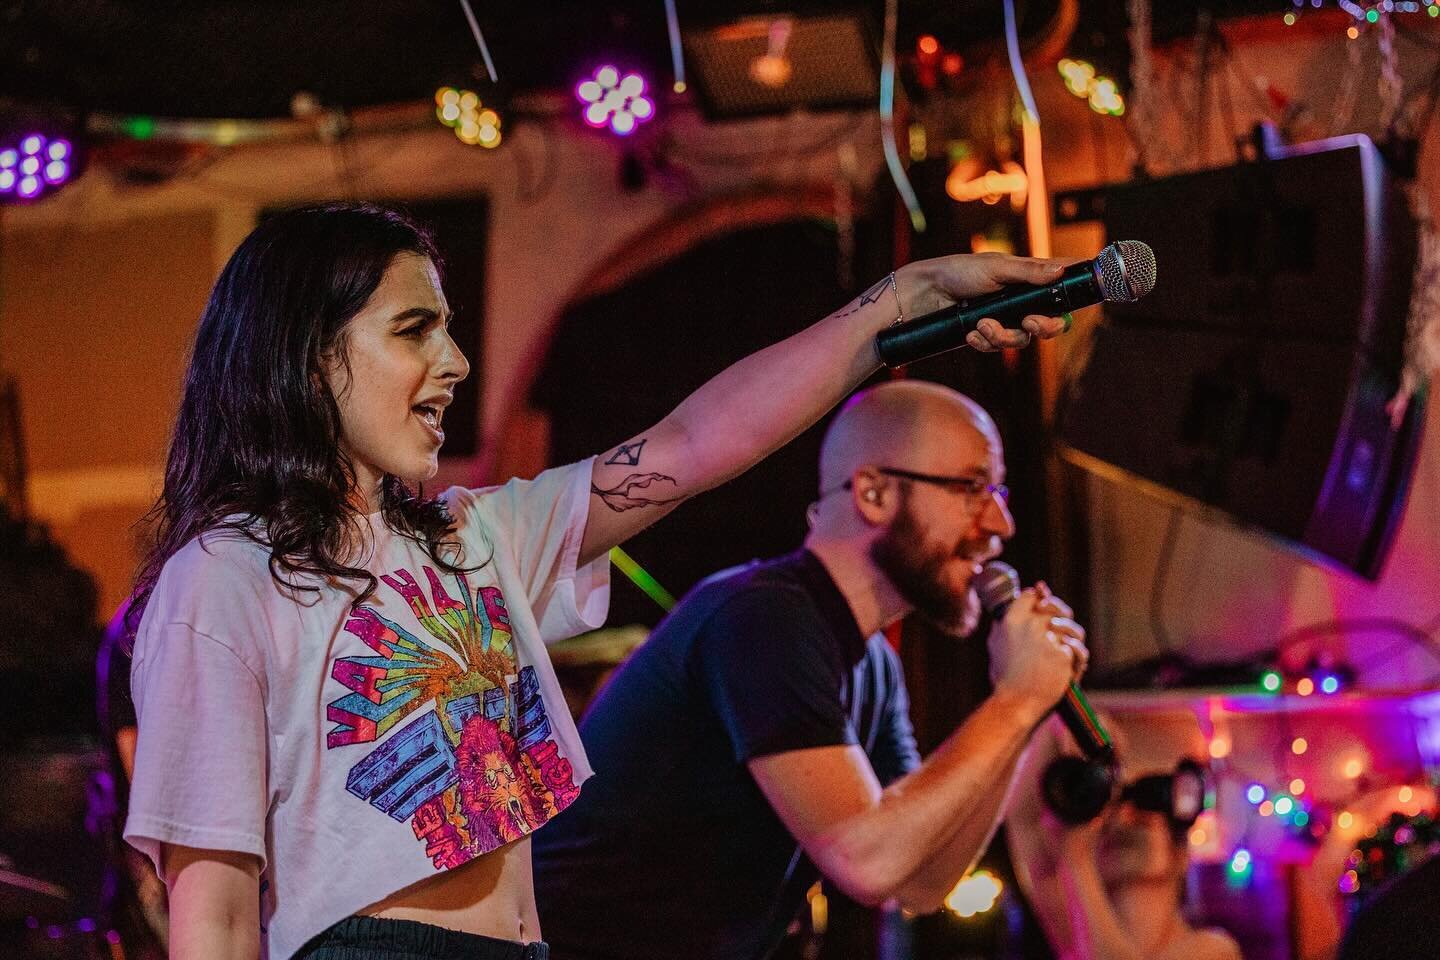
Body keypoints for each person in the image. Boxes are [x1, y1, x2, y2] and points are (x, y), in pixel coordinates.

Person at [121, 201, 1072, 960]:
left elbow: (697, 444)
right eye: (414, 331)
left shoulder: (474, 539)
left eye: (450, 333)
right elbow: (214, 912)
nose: (453, 363)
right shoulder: (225, 578)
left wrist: (903, 300)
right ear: (304, 354)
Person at [532, 379, 1090, 960]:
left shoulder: (872, 664)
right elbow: (865, 859)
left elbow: (918, 880)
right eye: (973, 488)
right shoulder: (765, 617)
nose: (1001, 524)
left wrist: (1020, 711)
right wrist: (1017, 701)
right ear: (872, 492)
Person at [1005, 716, 1242, 960]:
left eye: (1142, 817)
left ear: (1180, 856)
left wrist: (1077, 857)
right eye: (1107, 822)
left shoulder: (1213, 949)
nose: (1122, 820)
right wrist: (1069, 725)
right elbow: (1024, 820)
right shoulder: (1077, 928)